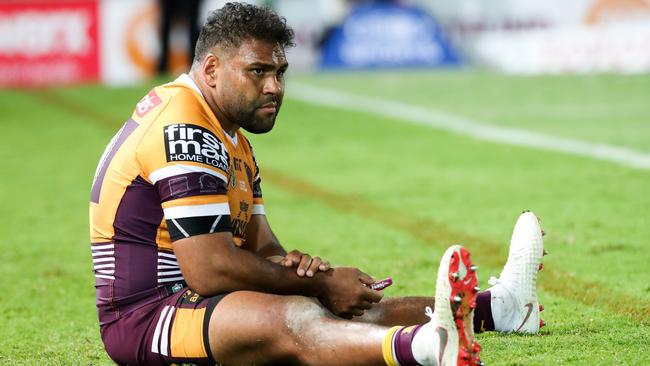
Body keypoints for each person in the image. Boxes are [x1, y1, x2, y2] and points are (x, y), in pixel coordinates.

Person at [89, 3, 546, 365]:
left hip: (199, 297)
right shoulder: (185, 128)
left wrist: (315, 275)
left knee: (341, 305)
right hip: (147, 316)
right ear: (211, 70)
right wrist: (315, 287)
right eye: (257, 71)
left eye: (280, 72)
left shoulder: (231, 138)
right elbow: (210, 269)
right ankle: (427, 349)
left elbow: (261, 247)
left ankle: (500, 309)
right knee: (300, 314)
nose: (274, 87)